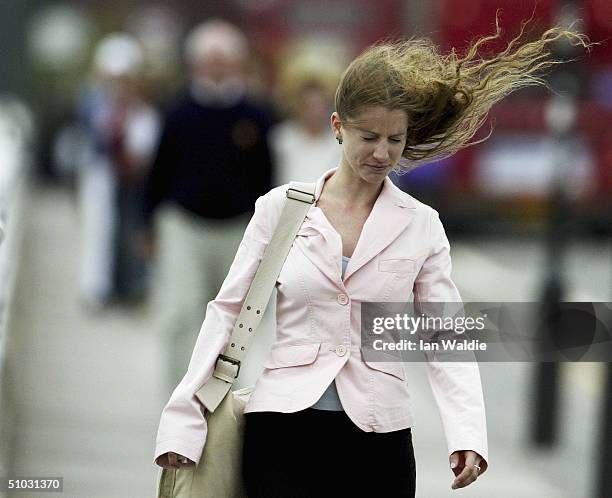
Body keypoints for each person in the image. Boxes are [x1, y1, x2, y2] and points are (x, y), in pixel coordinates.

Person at [154, 21, 589, 497]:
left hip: (379, 438)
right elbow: (228, 312)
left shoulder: (421, 224)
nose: (382, 153)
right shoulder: (281, 208)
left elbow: (445, 335)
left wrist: (467, 435)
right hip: (280, 431)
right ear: (338, 127)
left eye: (395, 140)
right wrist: (183, 420)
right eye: (368, 137)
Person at [143, 20, 275, 391]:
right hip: (184, 224)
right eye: (209, 60)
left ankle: (225, 400)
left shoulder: (257, 116)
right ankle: (177, 395)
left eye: (224, 60)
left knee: (237, 321)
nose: (217, 67)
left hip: (239, 228)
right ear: (195, 64)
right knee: (181, 313)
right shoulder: (177, 113)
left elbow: (268, 177)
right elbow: (158, 171)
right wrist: (149, 225)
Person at [77, 33, 160, 309]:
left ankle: (131, 286)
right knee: (99, 231)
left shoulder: (142, 111)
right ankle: (98, 287)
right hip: (103, 177)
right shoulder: (95, 106)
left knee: (131, 233)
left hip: (132, 182)